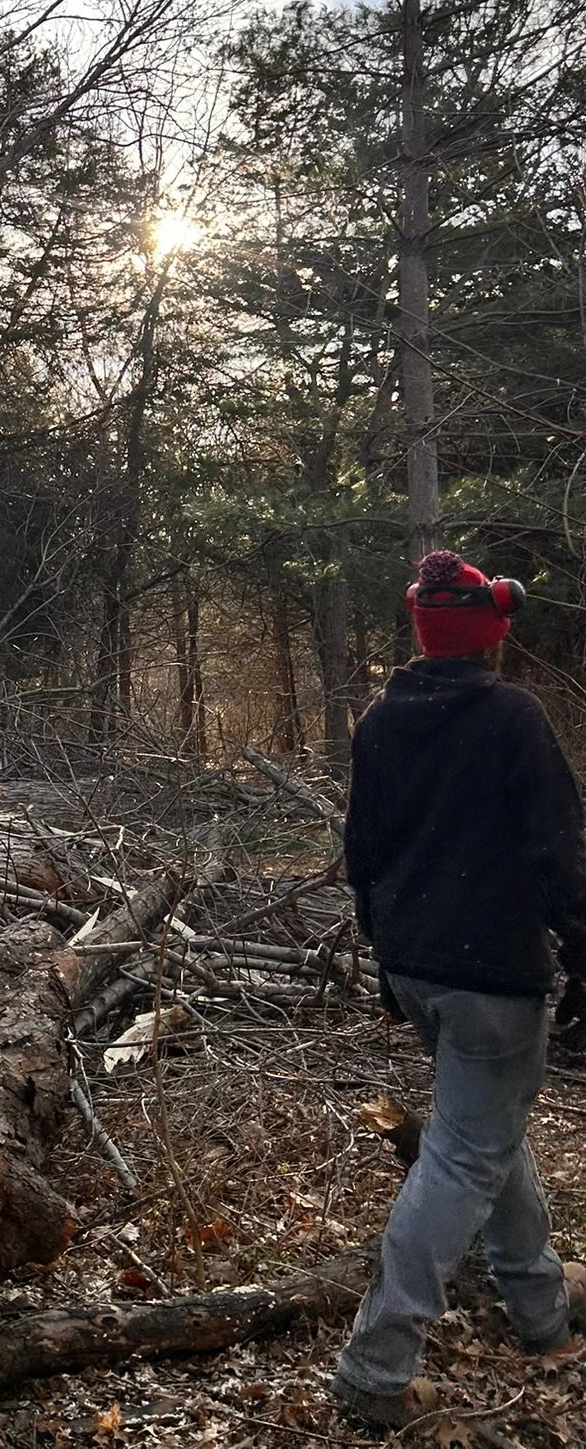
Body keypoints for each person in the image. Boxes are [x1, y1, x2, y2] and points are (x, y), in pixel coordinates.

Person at [333, 550, 586, 1429]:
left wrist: (386, 968)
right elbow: (563, 857)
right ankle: (375, 1367)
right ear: (492, 632)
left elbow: (361, 858)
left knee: (487, 1129)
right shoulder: (512, 717)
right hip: (490, 974)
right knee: (465, 1153)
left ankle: (543, 1314)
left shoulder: (378, 725)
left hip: (419, 966)